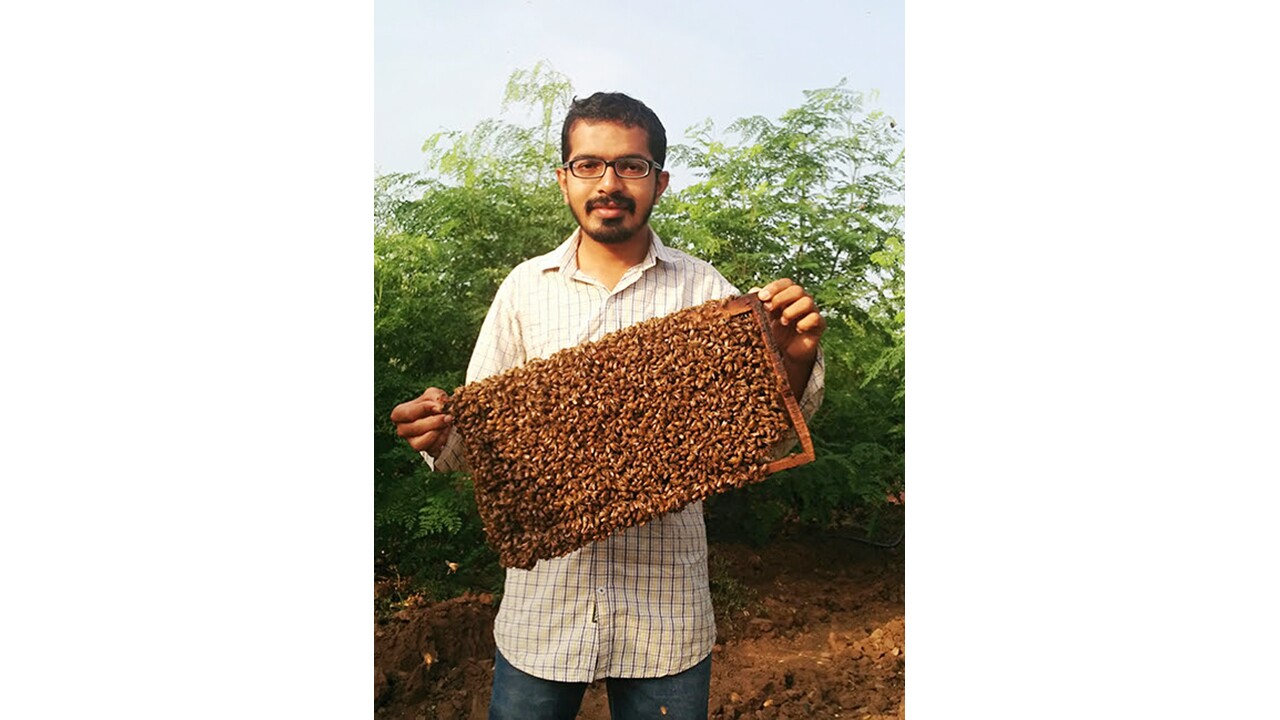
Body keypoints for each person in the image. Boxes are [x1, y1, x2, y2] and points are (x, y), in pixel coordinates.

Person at [390, 92, 827, 719]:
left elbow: (768, 435)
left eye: (631, 165)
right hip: (544, 616)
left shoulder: (705, 289)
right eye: (590, 165)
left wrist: (796, 354)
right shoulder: (523, 290)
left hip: (665, 619)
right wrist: (435, 432)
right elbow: (475, 444)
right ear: (565, 178)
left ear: (660, 180)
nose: (610, 183)